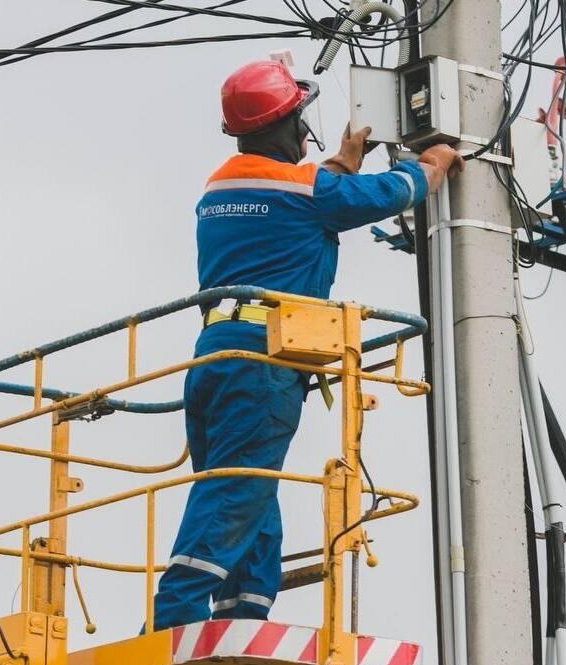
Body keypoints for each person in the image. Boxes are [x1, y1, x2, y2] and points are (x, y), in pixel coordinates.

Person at [150, 59, 464, 630]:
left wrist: (340, 164)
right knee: (238, 489)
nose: (306, 132)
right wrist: (435, 162)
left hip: (217, 353)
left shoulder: (223, 185)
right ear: (285, 125)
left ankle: (241, 617)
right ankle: (175, 615)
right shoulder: (307, 190)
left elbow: (299, 199)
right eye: (301, 119)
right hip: (264, 360)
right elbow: (394, 190)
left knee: (251, 493)